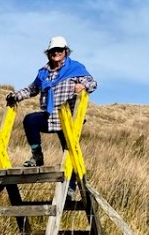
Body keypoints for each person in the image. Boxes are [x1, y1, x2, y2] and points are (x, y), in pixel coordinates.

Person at [5, 36, 97, 167]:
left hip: (68, 118)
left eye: (59, 50)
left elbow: (92, 83)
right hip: (49, 115)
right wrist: (15, 96)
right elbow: (32, 89)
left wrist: (83, 86)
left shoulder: (75, 68)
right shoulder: (44, 73)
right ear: (48, 53)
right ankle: (37, 156)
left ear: (65, 51)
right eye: (53, 50)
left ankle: (73, 179)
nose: (56, 53)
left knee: (70, 155)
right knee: (30, 120)